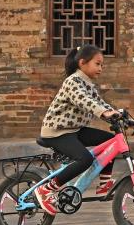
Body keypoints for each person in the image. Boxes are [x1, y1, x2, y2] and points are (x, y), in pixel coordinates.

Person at [33, 44, 120, 215]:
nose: (101, 68)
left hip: (73, 130)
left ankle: (104, 184)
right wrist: (104, 112)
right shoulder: (72, 82)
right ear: (82, 63)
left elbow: (100, 103)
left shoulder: (89, 84)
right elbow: (84, 101)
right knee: (85, 159)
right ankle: (47, 189)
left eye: (102, 64)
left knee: (111, 140)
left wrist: (120, 115)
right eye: (97, 64)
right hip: (56, 132)